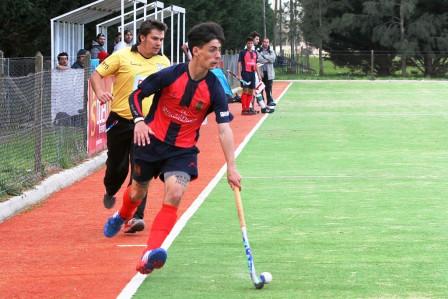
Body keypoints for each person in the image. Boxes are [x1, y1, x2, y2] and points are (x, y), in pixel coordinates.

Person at [103, 21, 242, 275]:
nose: (218, 56)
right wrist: (139, 121)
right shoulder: (170, 74)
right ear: (196, 50)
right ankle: (121, 215)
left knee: (175, 193)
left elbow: (224, 129)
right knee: (136, 193)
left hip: (182, 151)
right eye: (212, 50)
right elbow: (136, 95)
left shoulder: (214, 88)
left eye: (219, 50)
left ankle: (149, 255)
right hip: (151, 143)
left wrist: (231, 168)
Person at [90, 20, 170, 234]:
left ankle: (134, 217)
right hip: (120, 121)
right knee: (118, 167)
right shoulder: (122, 56)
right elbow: (96, 75)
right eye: (154, 38)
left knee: (140, 172)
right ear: (142, 37)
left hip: (146, 125)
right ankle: (110, 189)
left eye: (161, 39)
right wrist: (99, 93)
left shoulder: (164, 62)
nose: (158, 43)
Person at [237, 37, 271, 114]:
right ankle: (244, 109)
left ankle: (248, 108)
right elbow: (239, 63)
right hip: (245, 73)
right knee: (245, 91)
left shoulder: (255, 53)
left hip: (252, 74)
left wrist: (259, 75)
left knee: (251, 92)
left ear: (253, 44)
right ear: (246, 44)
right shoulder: (242, 52)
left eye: (251, 43)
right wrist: (239, 74)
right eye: (248, 43)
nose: (250, 44)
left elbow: (256, 65)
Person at [257, 37, 276, 108]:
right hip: (261, 73)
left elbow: (273, 59)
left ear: (269, 43)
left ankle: (270, 101)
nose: (266, 43)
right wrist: (268, 59)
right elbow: (259, 59)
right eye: (264, 42)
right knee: (261, 88)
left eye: (267, 42)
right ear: (262, 43)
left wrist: (264, 57)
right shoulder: (259, 50)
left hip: (269, 73)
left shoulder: (271, 50)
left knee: (268, 88)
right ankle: (262, 103)